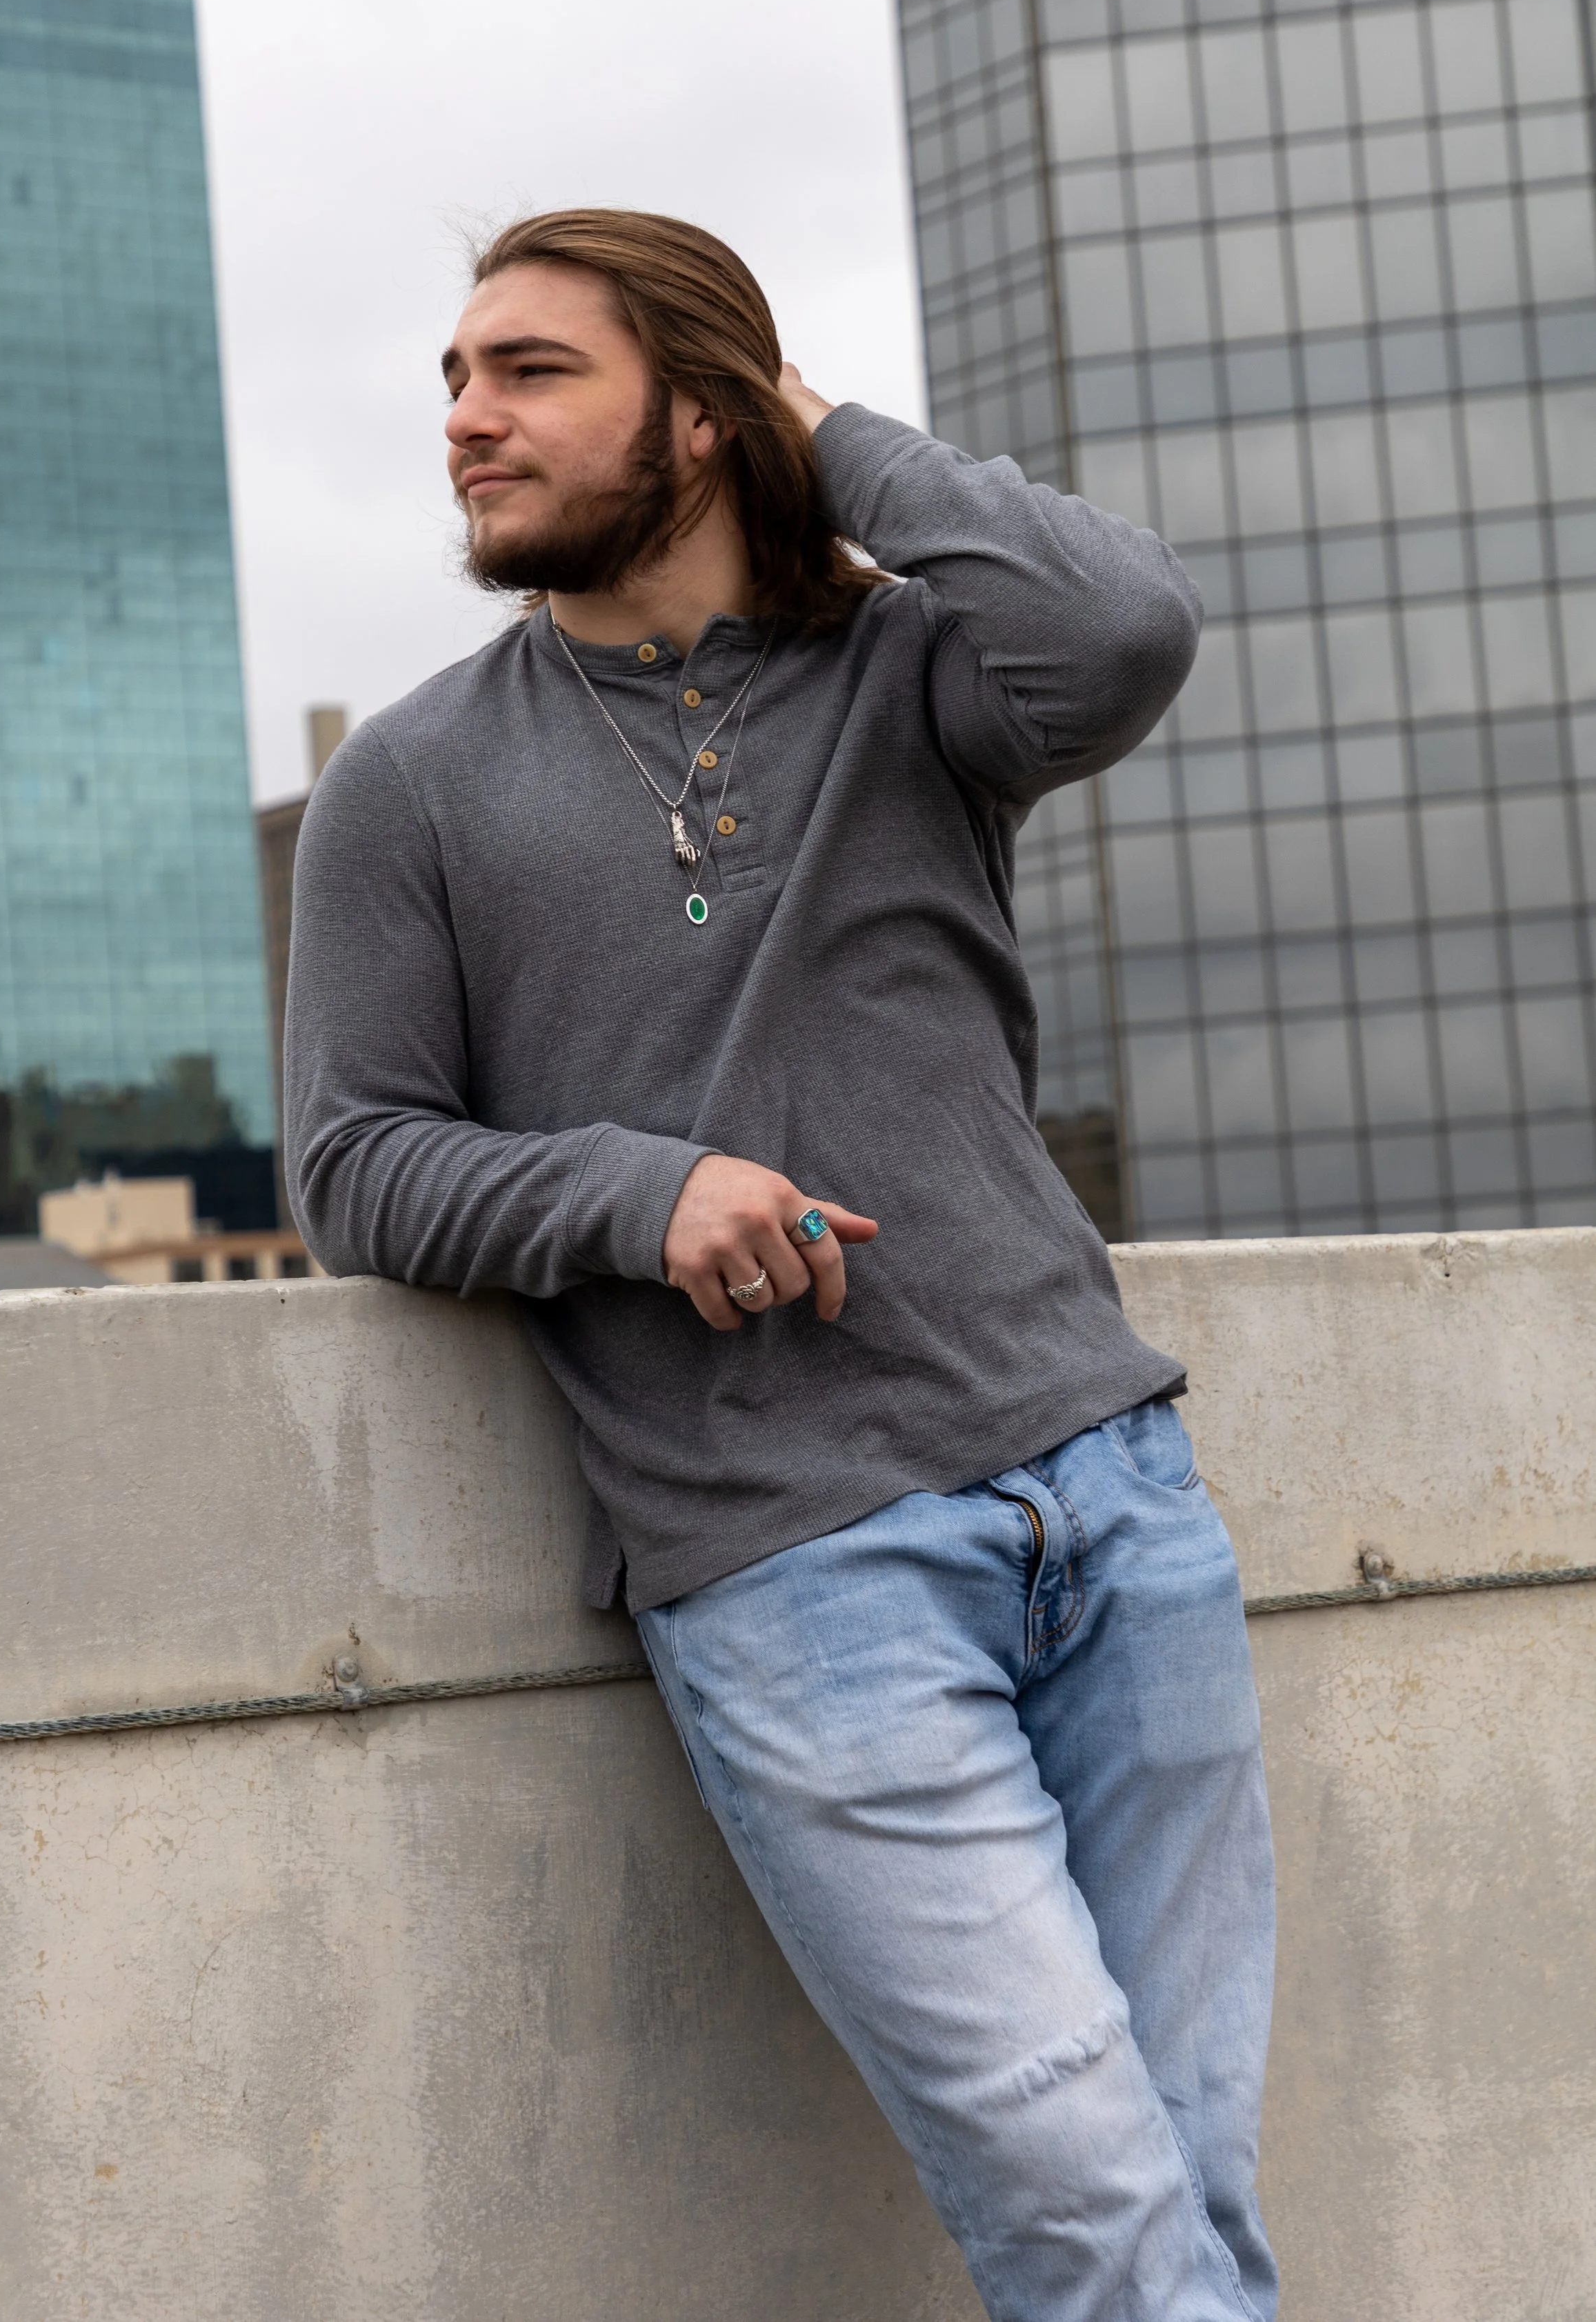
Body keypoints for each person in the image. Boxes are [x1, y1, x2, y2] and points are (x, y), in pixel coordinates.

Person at [286, 208, 1277, 2322]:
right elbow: (358, 1162)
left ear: (708, 412)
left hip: (1113, 1487)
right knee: (1104, 2224)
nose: (466, 421)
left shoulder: (912, 675)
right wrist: (634, 1194)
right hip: (793, 1561)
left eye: (529, 369)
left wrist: (834, 439)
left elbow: (1121, 630)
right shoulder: (413, 781)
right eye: (453, 380)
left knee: (1185, 2204)